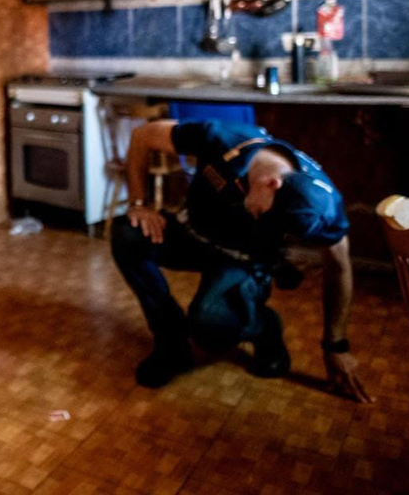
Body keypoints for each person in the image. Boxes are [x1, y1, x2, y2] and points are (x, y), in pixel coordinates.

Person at [110, 117, 373, 403]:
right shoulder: (222, 139)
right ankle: (171, 343)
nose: (262, 220)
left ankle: (264, 327)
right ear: (271, 183)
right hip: (193, 233)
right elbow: (143, 135)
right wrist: (139, 203)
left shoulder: (325, 204)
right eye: (263, 215)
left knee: (210, 328)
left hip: (244, 260)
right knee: (127, 234)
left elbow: (339, 267)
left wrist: (335, 345)